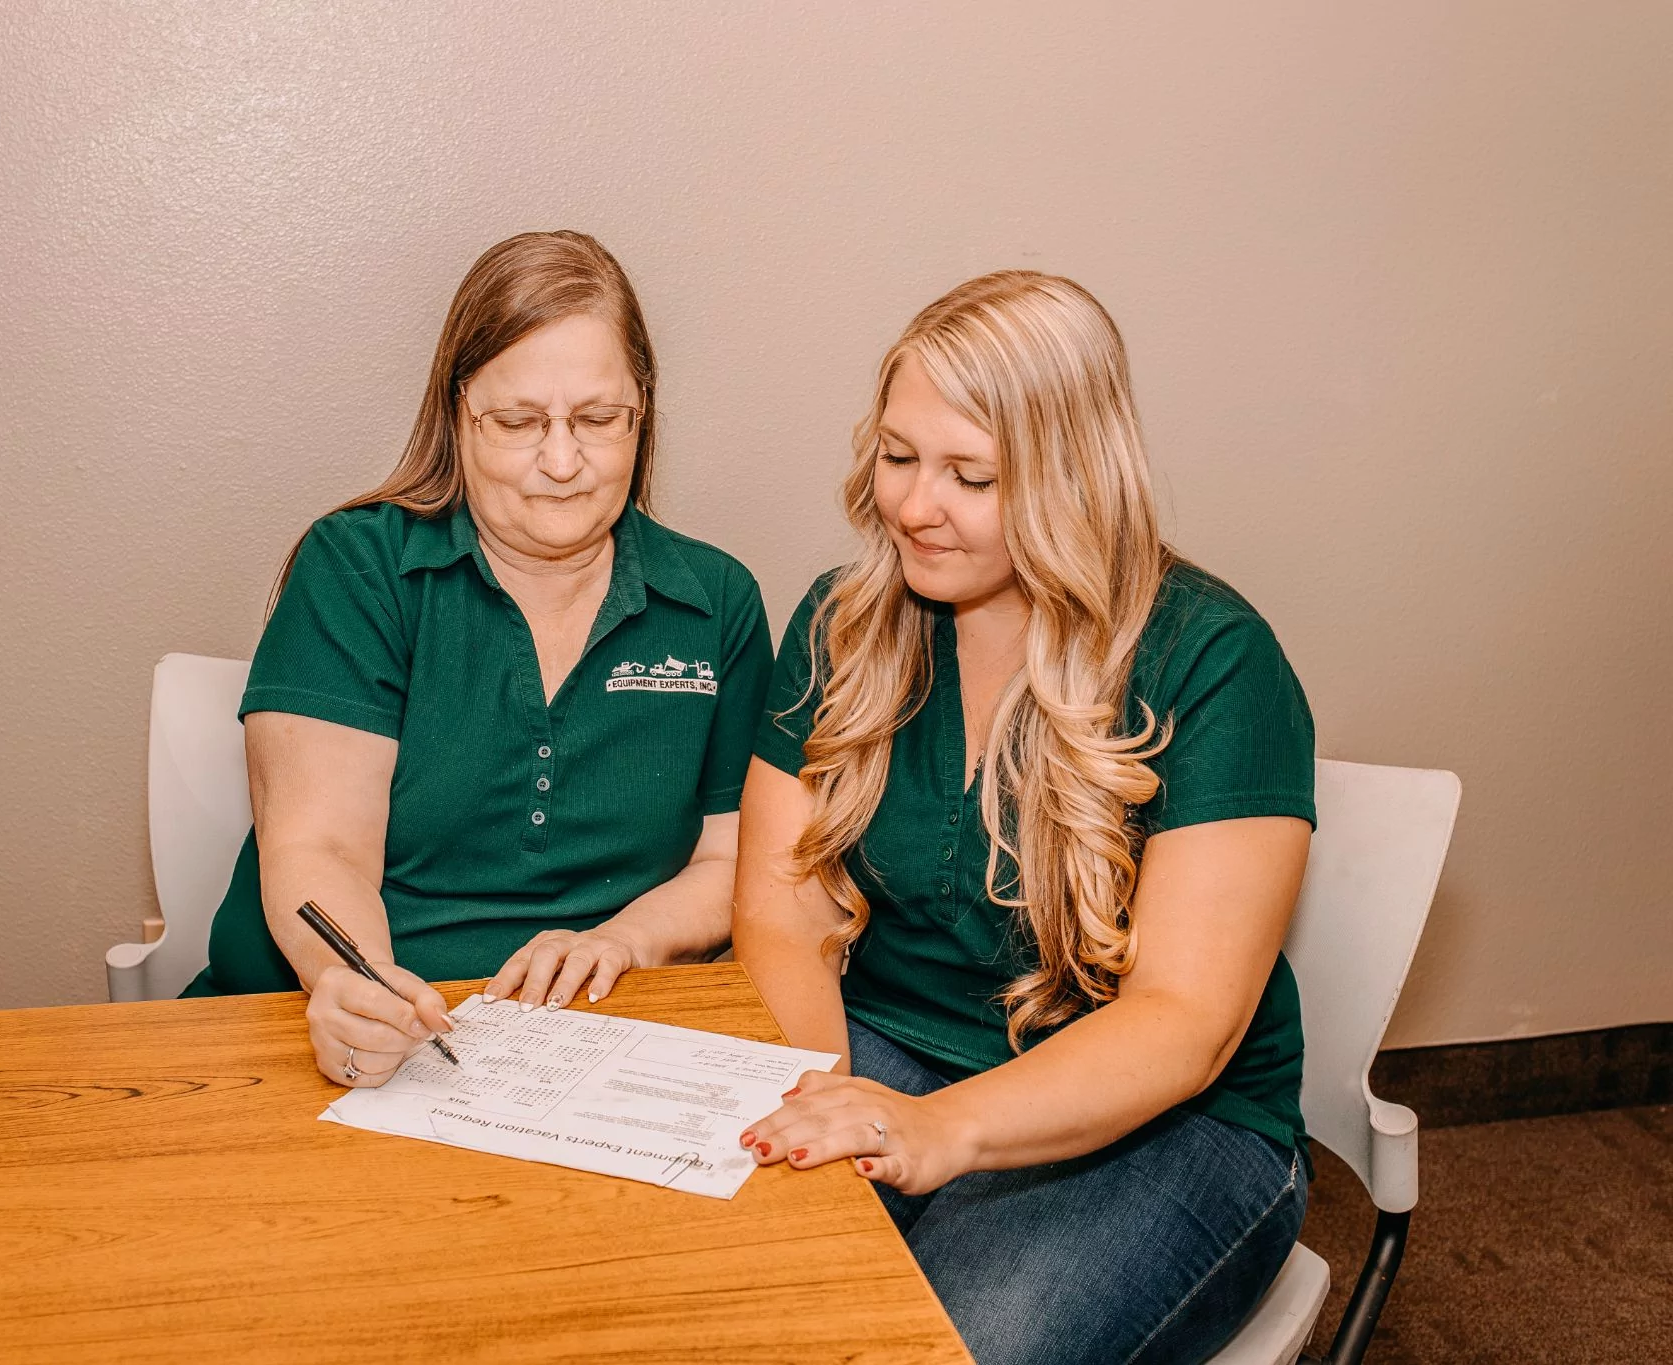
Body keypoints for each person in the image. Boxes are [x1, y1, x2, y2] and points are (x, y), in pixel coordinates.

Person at [734, 271, 1316, 1363]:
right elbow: (780, 906)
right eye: (897, 457)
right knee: (706, 1296)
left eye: (970, 476)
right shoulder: (843, 622)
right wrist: (818, 1086)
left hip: (1166, 1124)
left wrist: (938, 1129)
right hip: (887, 1047)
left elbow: (1183, 1019)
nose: (914, 506)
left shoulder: (1213, 661)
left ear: (1071, 479)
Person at [184, 231, 772, 1093]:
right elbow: (321, 846)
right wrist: (353, 985)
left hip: (591, 1050)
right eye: (519, 422)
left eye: (599, 420)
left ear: (643, 412)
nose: (563, 463)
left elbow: (732, 865)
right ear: (458, 410)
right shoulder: (359, 568)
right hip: (340, 1028)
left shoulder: (716, 600)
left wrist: (621, 941)